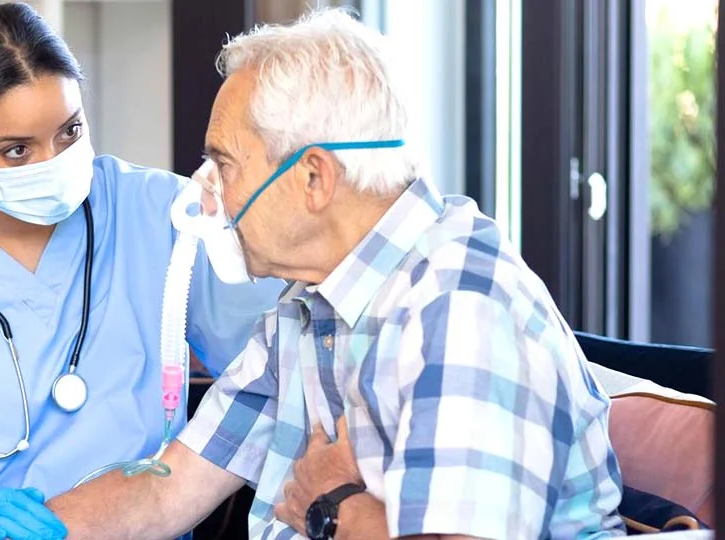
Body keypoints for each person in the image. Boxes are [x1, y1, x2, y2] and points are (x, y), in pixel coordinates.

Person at [46, 7, 626, 540]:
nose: (206, 192)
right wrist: (31, 529)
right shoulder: (306, 306)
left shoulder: (458, 306)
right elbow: (168, 486)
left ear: (314, 178)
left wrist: (330, 505)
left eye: (223, 163)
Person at [0, 4, 284, 539]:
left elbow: (272, 351)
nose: (53, 160)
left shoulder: (160, 213)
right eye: (17, 150)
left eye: (69, 132)